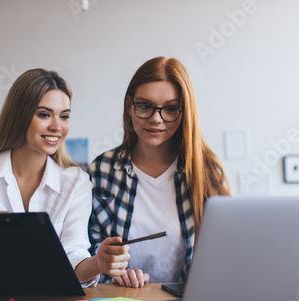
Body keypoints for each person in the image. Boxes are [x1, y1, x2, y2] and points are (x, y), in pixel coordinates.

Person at [0, 68, 130, 289]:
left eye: (64, 116)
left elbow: (73, 256)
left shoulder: (76, 182)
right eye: (44, 114)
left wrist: (98, 262)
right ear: (19, 116)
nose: (57, 127)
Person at [88, 57, 231, 288]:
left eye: (171, 109)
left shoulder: (207, 172)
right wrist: (113, 271)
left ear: (184, 112)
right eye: (144, 106)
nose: (156, 119)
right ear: (129, 105)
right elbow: (86, 250)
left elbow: (224, 254)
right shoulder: (101, 171)